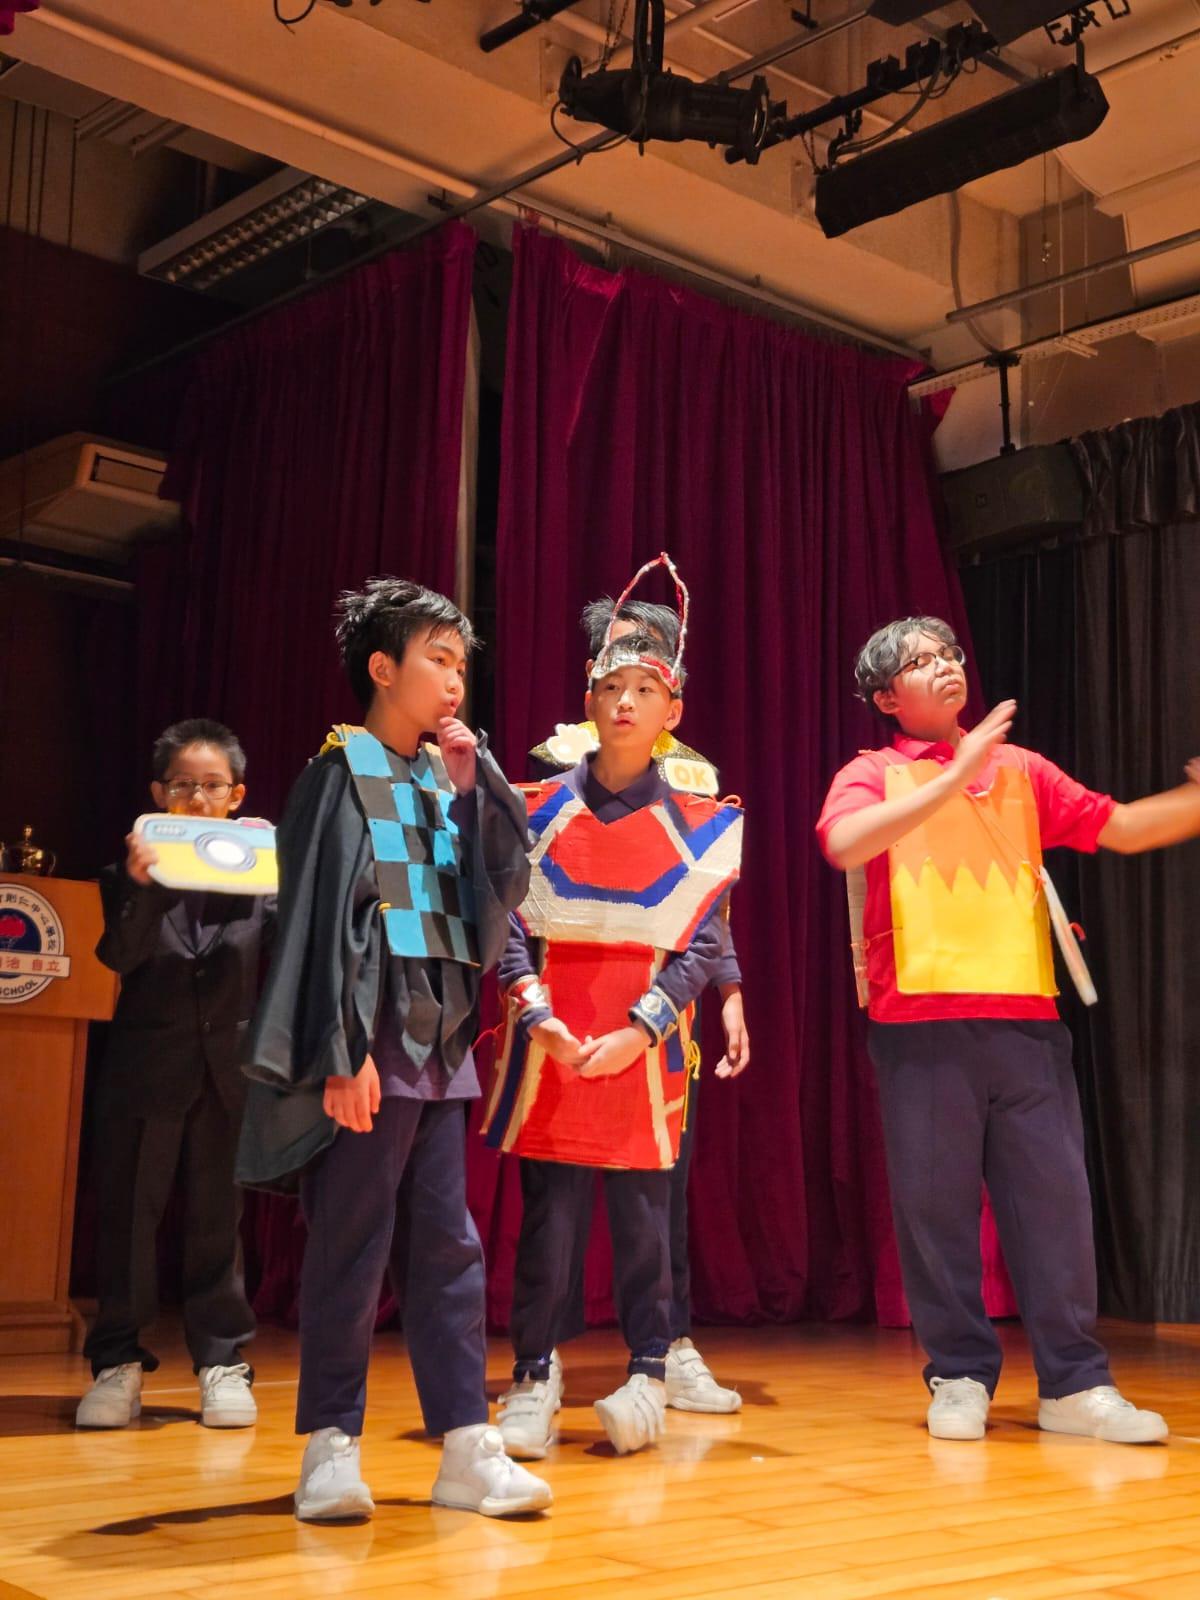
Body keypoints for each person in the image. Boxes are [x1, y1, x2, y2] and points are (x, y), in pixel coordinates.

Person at [816, 615, 1200, 1444]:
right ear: (886, 698)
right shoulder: (873, 773)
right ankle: (959, 1373)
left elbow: (1121, 827)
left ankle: (1075, 1384)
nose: (944, 666)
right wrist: (953, 773)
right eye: (920, 662)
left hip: (1027, 1020)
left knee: (1055, 1206)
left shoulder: (1021, 768)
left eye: (949, 653)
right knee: (936, 1211)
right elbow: (844, 844)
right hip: (921, 1026)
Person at [237, 578, 551, 1522]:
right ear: (382, 668)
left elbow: (501, 888)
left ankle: (464, 1446)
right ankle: (331, 1446)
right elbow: (318, 922)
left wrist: (475, 791)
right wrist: (342, 1050)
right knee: (352, 1245)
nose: (455, 681)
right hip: (369, 1044)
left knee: (449, 1249)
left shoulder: (444, 776)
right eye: (436, 660)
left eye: (462, 664)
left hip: (441, 1047)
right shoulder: (339, 773)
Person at [483, 554, 744, 1458]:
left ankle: (649, 1371)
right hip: (554, 1034)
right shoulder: (536, 803)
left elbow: (703, 934)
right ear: (587, 695)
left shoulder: (702, 814)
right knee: (550, 1218)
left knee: (646, 1217)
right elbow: (507, 919)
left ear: (674, 707)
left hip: (648, 1040)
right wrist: (535, 1013)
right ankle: (534, 1373)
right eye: (611, 684)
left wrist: (652, 1024)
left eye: (646, 686)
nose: (626, 700)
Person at [77, 719, 268, 1431]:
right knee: (129, 1218)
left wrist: (280, 859)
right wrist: (143, 884)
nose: (196, 799)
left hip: (229, 1073)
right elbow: (120, 957)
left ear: (236, 796)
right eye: (182, 785)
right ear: (158, 795)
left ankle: (222, 1361)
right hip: (145, 1069)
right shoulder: (124, 876)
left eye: (212, 786)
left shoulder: (259, 876)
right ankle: (117, 1362)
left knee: (218, 1221)